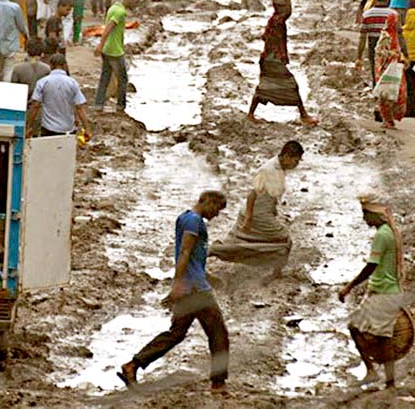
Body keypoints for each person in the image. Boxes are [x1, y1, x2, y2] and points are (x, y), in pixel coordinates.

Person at [119, 191, 229, 391]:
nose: (217, 214)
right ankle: (218, 384)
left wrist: (208, 277)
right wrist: (178, 284)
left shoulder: (186, 218)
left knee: (176, 333)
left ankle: (133, 365)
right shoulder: (194, 222)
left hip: (193, 285)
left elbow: (192, 257)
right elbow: (184, 252)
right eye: (217, 208)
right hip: (196, 290)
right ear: (208, 201)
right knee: (218, 333)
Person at [338, 201, 404, 389]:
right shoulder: (387, 232)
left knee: (383, 337)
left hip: (383, 292)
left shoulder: (382, 236)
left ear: (375, 215)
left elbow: (371, 266)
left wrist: (349, 286)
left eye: (366, 214)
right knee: (361, 329)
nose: (364, 219)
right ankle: (373, 372)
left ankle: (387, 381)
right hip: (384, 290)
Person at [210, 141, 304, 272]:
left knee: (245, 241)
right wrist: (249, 217)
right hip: (258, 215)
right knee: (284, 240)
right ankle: (273, 270)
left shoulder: (279, 168)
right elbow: (252, 194)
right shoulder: (268, 169)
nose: (296, 164)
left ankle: (217, 250)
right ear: (287, 156)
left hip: (263, 212)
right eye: (296, 160)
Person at [248, 0, 317, 125]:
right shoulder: (278, 20)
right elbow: (288, 12)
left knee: (264, 88)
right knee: (291, 86)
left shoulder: (274, 20)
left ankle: (251, 114)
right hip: (273, 60)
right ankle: (303, 115)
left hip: (269, 59)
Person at [94, 0, 142, 112]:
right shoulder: (120, 12)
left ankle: (98, 104)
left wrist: (102, 46)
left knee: (105, 76)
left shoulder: (114, 7)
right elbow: (109, 28)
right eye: (136, 2)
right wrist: (100, 44)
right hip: (114, 50)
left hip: (107, 48)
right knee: (123, 79)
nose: (136, 5)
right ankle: (121, 106)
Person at [31, 53, 92, 138]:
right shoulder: (72, 83)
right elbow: (79, 107)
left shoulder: (42, 82)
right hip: (68, 130)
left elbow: (35, 106)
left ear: (51, 65)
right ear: (65, 65)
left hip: (48, 129)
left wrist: (29, 126)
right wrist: (87, 129)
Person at [356, 0, 399, 82]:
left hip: (373, 45)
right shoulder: (393, 14)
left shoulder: (367, 15)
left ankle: (376, 93)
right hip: (390, 46)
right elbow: (399, 35)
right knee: (390, 74)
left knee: (375, 72)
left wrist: (359, 57)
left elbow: (362, 38)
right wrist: (405, 53)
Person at [374, 9, 407, 129]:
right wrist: (393, 54)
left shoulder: (396, 36)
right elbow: (380, 52)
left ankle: (391, 119)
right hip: (386, 69)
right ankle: (387, 120)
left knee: (396, 93)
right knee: (386, 94)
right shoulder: (386, 35)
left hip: (395, 68)